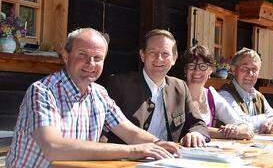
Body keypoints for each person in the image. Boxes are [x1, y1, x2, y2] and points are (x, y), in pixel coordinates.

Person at [6, 28, 179, 168]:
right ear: (66, 57)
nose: (91, 63)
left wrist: (159, 143)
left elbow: (130, 133)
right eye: (82, 54)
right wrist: (133, 150)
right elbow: (54, 147)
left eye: (98, 58)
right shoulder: (42, 91)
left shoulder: (99, 93)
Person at [106, 29, 209, 147]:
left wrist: (196, 133)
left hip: (168, 159)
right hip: (128, 160)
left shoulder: (180, 87)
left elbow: (198, 123)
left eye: (165, 54)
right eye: (152, 52)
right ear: (142, 55)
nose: (158, 58)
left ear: (174, 58)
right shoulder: (120, 84)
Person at [182, 45, 254, 140]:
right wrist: (227, 134)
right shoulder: (178, 93)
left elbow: (242, 124)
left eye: (203, 66)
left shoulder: (211, 95)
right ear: (185, 70)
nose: (197, 71)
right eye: (191, 66)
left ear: (210, 70)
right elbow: (188, 128)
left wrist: (236, 129)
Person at [218, 48, 273, 134]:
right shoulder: (224, 95)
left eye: (254, 69)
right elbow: (243, 122)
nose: (250, 73)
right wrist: (266, 118)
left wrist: (272, 123)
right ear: (233, 70)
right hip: (231, 147)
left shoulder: (259, 96)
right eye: (244, 68)